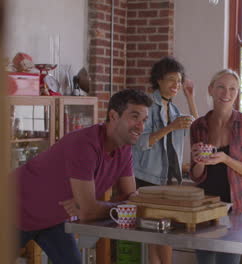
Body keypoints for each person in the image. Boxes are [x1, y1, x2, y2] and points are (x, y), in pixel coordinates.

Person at [16, 89, 153, 264]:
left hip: (52, 219)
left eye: (144, 120)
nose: (141, 127)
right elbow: (89, 212)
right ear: (113, 115)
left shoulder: (124, 149)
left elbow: (131, 200)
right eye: (134, 117)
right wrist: (108, 207)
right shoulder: (84, 144)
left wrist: (100, 206)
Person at [190, 69, 242, 264]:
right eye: (221, 87)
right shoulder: (198, 126)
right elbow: (196, 177)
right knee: (205, 261)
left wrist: (226, 159)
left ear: (237, 93)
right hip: (205, 208)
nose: (226, 94)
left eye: (232, 89)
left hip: (237, 208)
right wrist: (197, 161)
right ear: (211, 90)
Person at [131, 56, 198, 264]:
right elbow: (140, 142)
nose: (175, 85)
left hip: (169, 179)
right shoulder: (146, 107)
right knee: (161, 234)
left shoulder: (175, 110)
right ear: (158, 80)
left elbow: (196, 128)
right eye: (171, 79)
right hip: (148, 178)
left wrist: (189, 97)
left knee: (159, 235)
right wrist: (170, 127)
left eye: (178, 81)